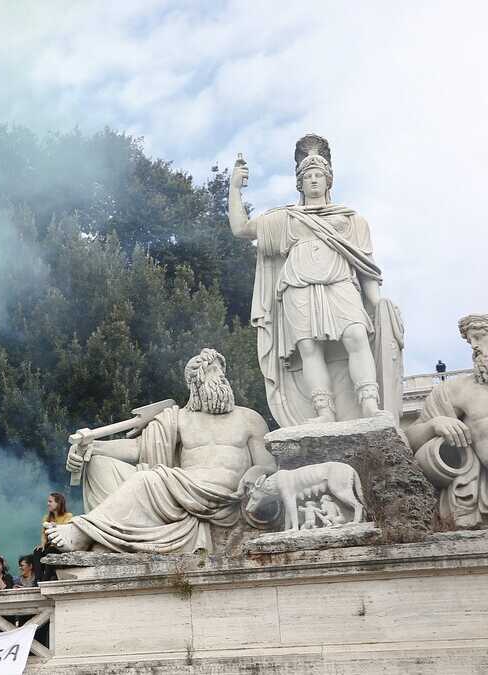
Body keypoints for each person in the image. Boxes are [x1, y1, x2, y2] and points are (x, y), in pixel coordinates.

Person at [228, 136, 401, 425]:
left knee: (356, 336)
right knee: (308, 348)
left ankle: (369, 405)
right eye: (307, 176)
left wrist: (377, 302)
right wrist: (234, 188)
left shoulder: (351, 220)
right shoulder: (286, 218)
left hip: (340, 282)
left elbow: (365, 267)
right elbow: (241, 229)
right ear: (300, 183)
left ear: (328, 180)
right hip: (298, 285)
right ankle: (323, 412)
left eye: (319, 175)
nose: (313, 181)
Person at [53, 348, 278, 554]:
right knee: (100, 463)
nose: (220, 375)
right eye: (212, 370)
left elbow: (269, 466)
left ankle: (82, 532)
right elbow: (138, 448)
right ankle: (108, 538)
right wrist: (92, 447)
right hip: (180, 489)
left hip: (224, 495)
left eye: (221, 370)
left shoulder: (249, 418)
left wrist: (255, 472)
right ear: (195, 383)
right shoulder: (179, 418)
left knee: (147, 479)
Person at [407, 314, 488, 527]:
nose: (475, 347)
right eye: (471, 341)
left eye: (480, 337)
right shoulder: (456, 390)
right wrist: (435, 424)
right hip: (476, 503)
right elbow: (410, 441)